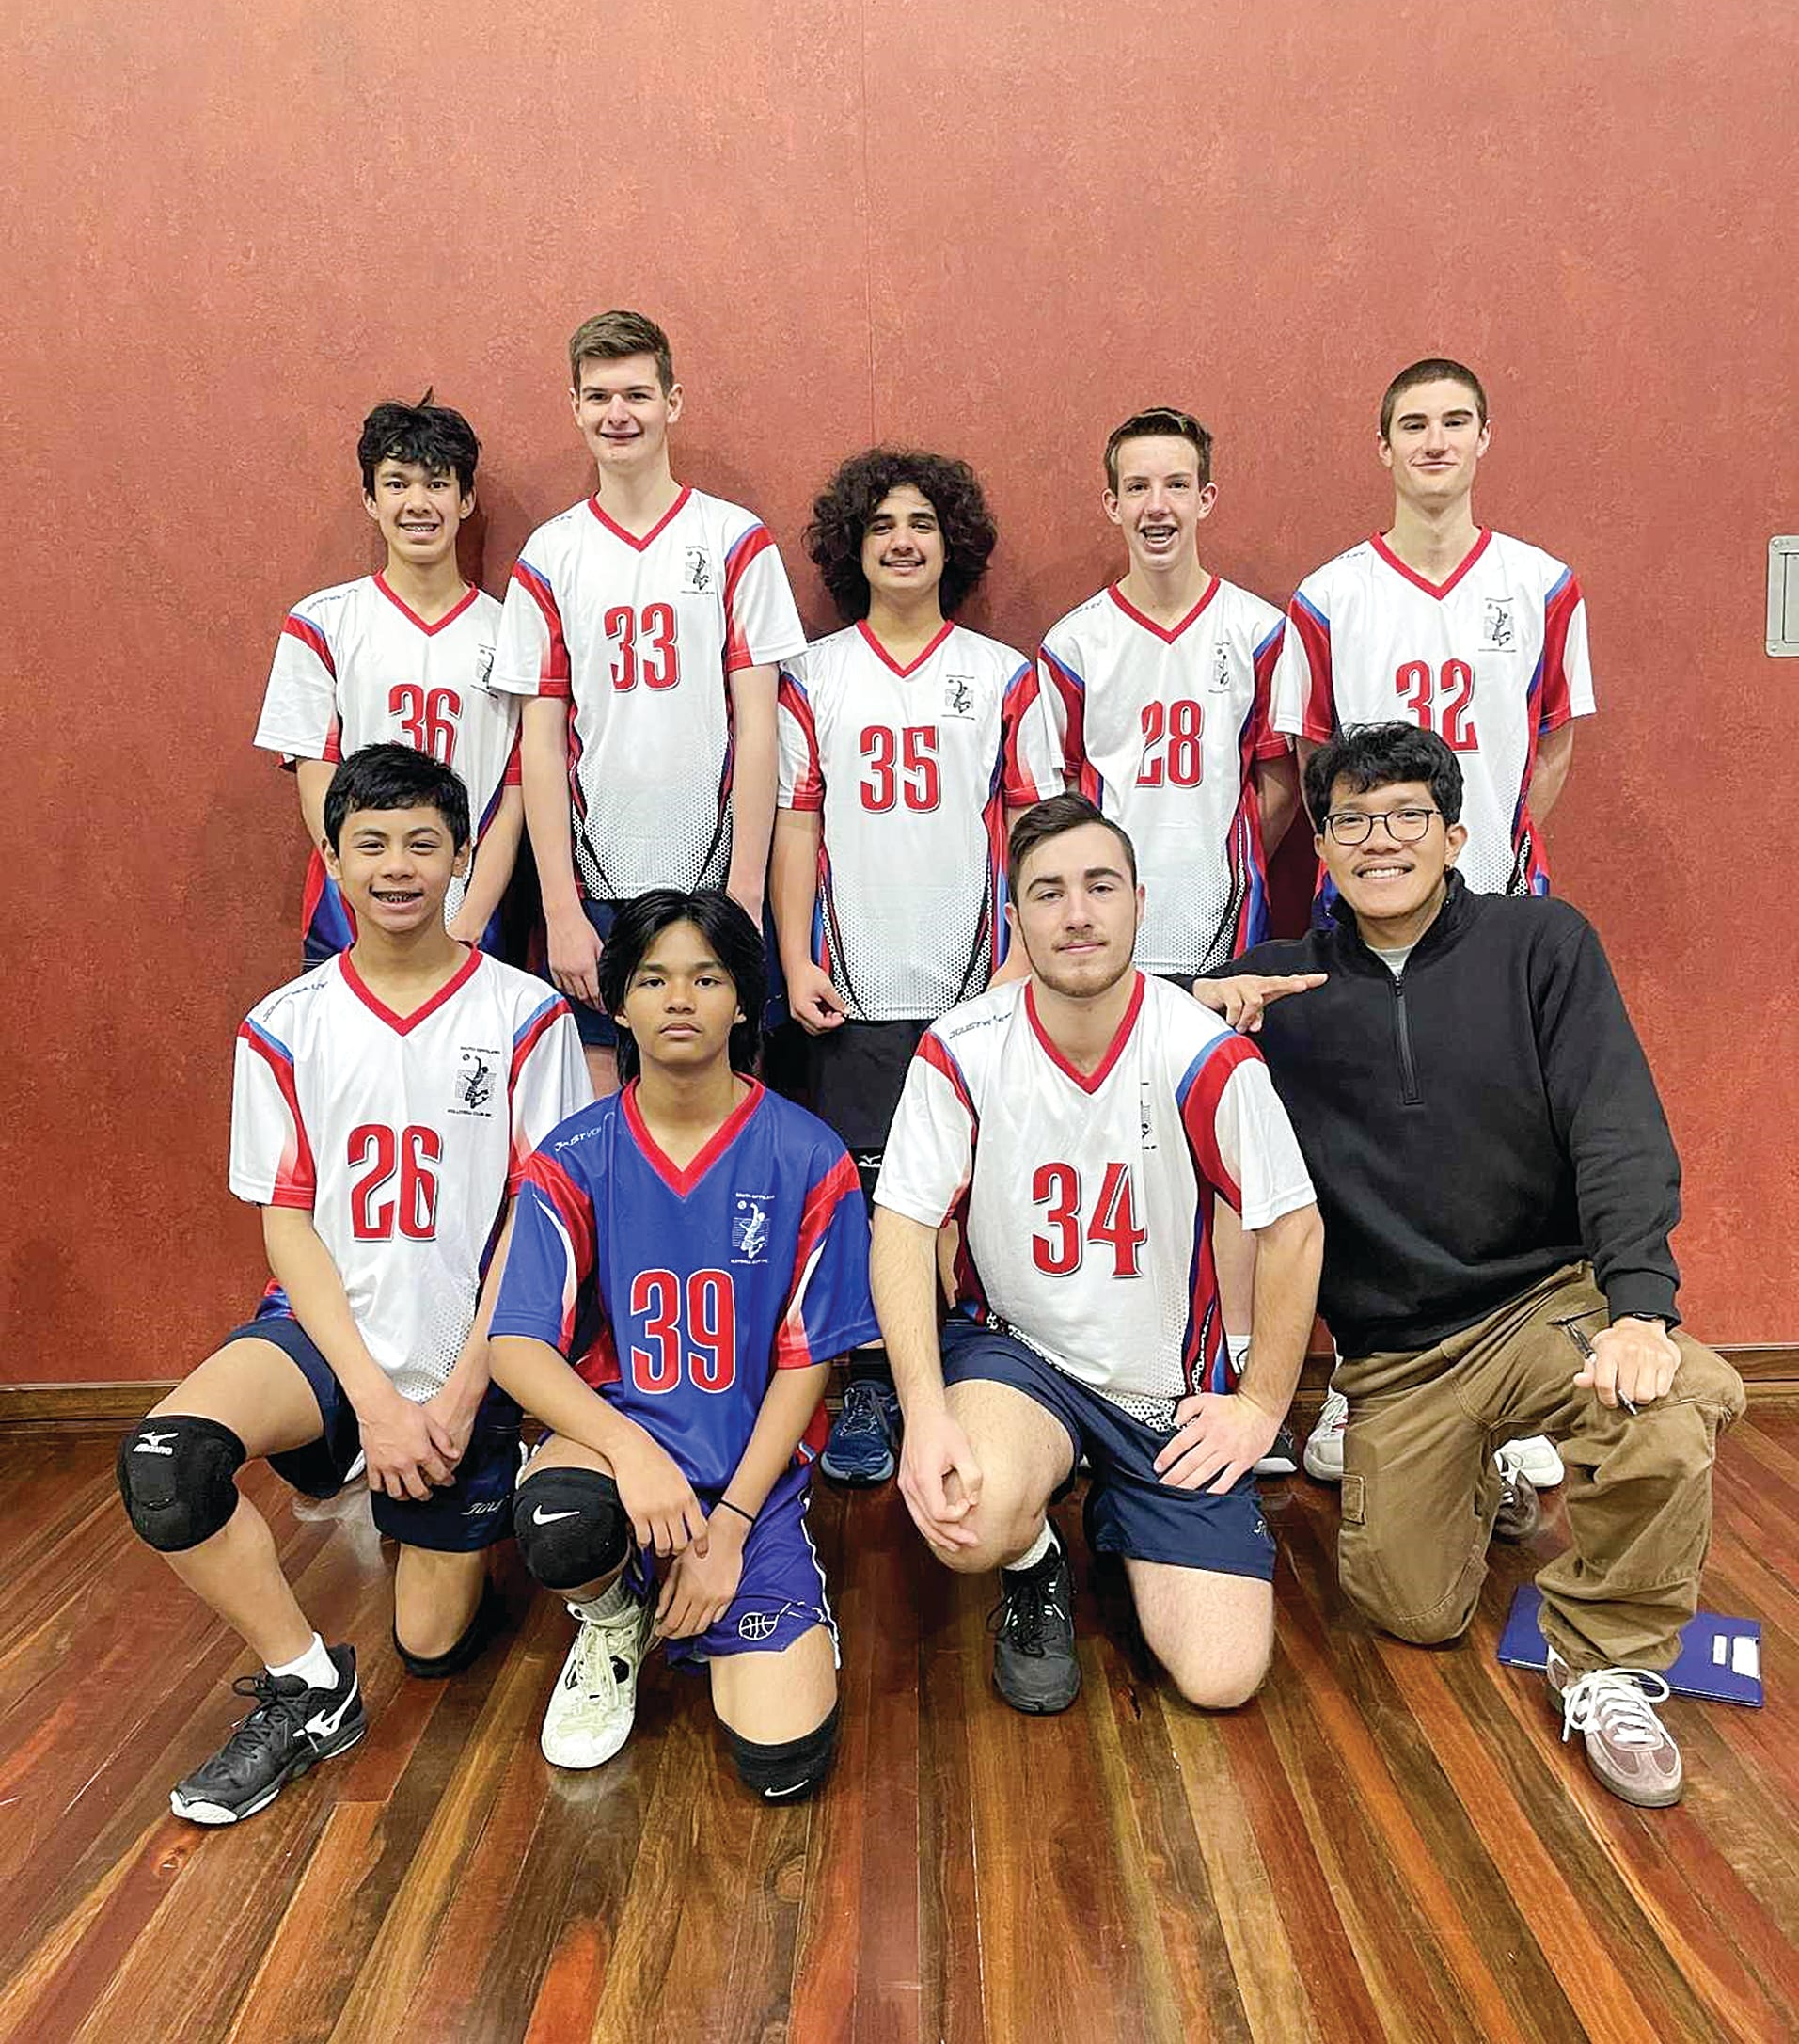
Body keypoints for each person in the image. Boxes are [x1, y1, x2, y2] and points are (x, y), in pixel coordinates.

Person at [1198, 723, 1745, 1807]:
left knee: (1669, 1404)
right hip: (1396, 1358)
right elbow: (1102, 1031)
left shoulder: (1540, 943)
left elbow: (1615, 1125)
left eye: (1405, 815)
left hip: (1543, 1304)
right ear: (1323, 844)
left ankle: (1609, 1655)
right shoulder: (1273, 983)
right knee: (1409, 1612)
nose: (1377, 840)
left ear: (1453, 834)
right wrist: (1193, 1017)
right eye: (1349, 820)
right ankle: (1485, 1467)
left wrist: (1639, 1306)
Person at [117, 745, 589, 1826]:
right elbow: (287, 1218)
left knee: (432, 1644)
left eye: (424, 841)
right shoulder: (284, 1024)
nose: (397, 865)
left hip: (471, 1354)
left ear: (465, 858)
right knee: (165, 1464)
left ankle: (468, 1489)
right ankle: (308, 1683)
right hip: (331, 1343)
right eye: (370, 843)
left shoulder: (524, 1016)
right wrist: (375, 1399)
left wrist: (460, 1398)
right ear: (330, 860)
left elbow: (538, 1219)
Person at [871, 796, 1322, 1717]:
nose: (1074, 912)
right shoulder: (961, 1048)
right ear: (1016, 917)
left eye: (1097, 886)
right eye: (1046, 892)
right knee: (969, 1519)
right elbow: (902, 1227)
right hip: (1016, 1357)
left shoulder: (1202, 1052)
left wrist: (1261, 1403)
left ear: (1136, 903)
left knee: (1221, 1677)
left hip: (1164, 1392)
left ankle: (1125, 1507)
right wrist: (922, 1411)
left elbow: (1293, 1226)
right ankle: (1033, 1561)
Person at [1271, 358, 1596, 1488]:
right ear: (1381, 447)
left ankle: (1514, 1401)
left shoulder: (1543, 584)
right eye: (1411, 423)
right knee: (1357, 1154)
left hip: (1493, 910)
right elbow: (1314, 759)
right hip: (1359, 919)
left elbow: (1548, 745)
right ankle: (1364, 1387)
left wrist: (1471, 861)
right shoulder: (1327, 596)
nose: (1433, 440)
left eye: (1454, 420)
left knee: (1508, 1152)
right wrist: (1380, 863)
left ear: (1484, 437)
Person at [487, 890, 875, 1799]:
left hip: (744, 1475)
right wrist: (631, 1453)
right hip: (616, 1448)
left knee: (783, 1766)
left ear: (742, 1000)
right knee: (559, 1522)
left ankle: (754, 1586)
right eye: (653, 978)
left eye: (706, 977)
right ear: (616, 1001)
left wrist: (730, 1525)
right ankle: (613, 1613)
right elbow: (514, 1346)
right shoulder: (573, 1155)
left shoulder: (808, 1155)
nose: (678, 999)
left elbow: (806, 1360)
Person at [1034, 406, 1302, 1471]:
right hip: (1108, 957)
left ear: (1205, 498)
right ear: (1110, 504)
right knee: (1120, 1168)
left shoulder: (1257, 628)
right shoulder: (1073, 644)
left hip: (1224, 938)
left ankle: (1235, 1378)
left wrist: (1218, 869)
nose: (1154, 506)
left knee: (1231, 1170)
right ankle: (1121, 1383)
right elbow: (1048, 812)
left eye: (1173, 485)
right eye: (1134, 488)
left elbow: (1274, 781)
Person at [772, 449, 1046, 1487]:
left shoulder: (1001, 675)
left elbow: (1030, 825)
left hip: (970, 983)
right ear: (855, 544)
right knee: (865, 1197)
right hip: (854, 982)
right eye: (882, 523)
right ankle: (873, 1379)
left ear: (951, 541)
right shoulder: (813, 675)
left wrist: (1018, 961)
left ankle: (968, 1377)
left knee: (958, 1202)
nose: (900, 539)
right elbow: (796, 826)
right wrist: (795, 955)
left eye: (921, 522)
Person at [490, 310, 806, 1093]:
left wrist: (743, 889)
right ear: (575, 408)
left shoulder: (736, 541)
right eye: (598, 397)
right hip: (598, 885)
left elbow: (758, 728)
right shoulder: (550, 555)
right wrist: (561, 908)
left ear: (673, 403)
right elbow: (541, 742)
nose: (617, 414)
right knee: (604, 1110)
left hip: (711, 878)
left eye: (636, 393)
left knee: (725, 1101)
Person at [254, 395, 524, 965]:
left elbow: (516, 792)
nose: (417, 503)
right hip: (351, 909)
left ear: (466, 498)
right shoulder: (323, 623)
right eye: (397, 484)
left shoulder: (513, 636)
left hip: (476, 907)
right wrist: (365, 895)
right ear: (370, 499)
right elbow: (317, 780)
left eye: (437, 484)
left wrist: (469, 920)